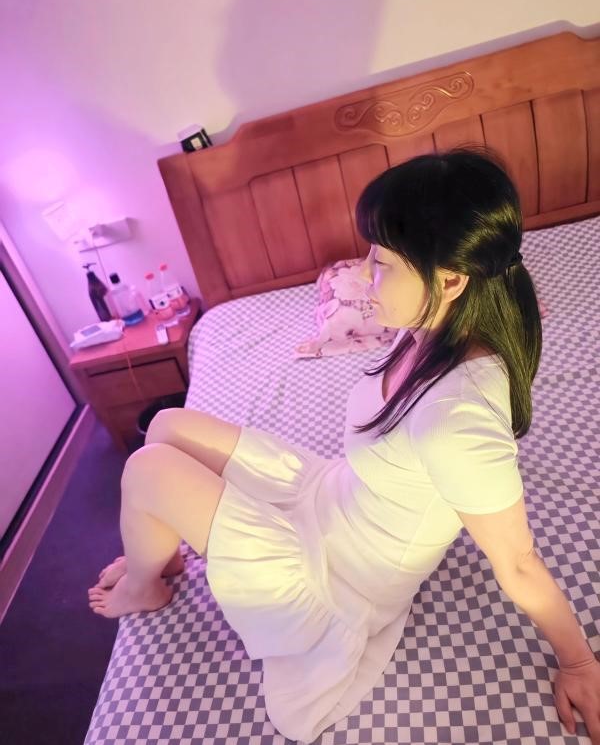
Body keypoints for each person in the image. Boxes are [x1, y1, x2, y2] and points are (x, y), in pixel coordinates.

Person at [88, 145, 599, 743]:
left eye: (382, 262)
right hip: (331, 494)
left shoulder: (458, 418)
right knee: (168, 426)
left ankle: (144, 586)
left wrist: (579, 662)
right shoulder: (433, 326)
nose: (362, 276)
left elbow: (517, 562)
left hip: (338, 576)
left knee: (147, 468)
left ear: (451, 279)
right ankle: (166, 554)